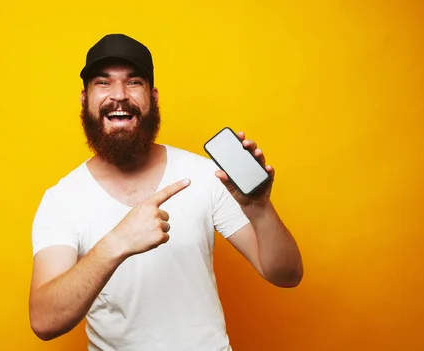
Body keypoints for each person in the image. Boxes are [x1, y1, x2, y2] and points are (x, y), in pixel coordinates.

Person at [28, 33, 303, 351]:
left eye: (134, 83)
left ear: (153, 96)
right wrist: (117, 243)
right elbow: (44, 321)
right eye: (103, 83)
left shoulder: (204, 175)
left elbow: (287, 274)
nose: (119, 95)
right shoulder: (62, 200)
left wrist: (259, 208)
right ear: (84, 98)